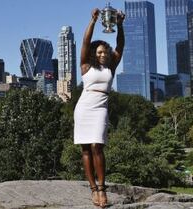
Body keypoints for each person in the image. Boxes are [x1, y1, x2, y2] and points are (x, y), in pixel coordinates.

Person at [73, 8, 124, 208]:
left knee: (97, 146)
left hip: (100, 107)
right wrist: (93, 21)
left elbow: (120, 45)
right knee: (86, 149)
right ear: (95, 53)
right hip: (84, 107)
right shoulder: (86, 66)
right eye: (100, 51)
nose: (103, 53)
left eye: (106, 51)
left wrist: (119, 25)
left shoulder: (111, 66)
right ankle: (93, 189)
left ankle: (102, 188)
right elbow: (85, 43)